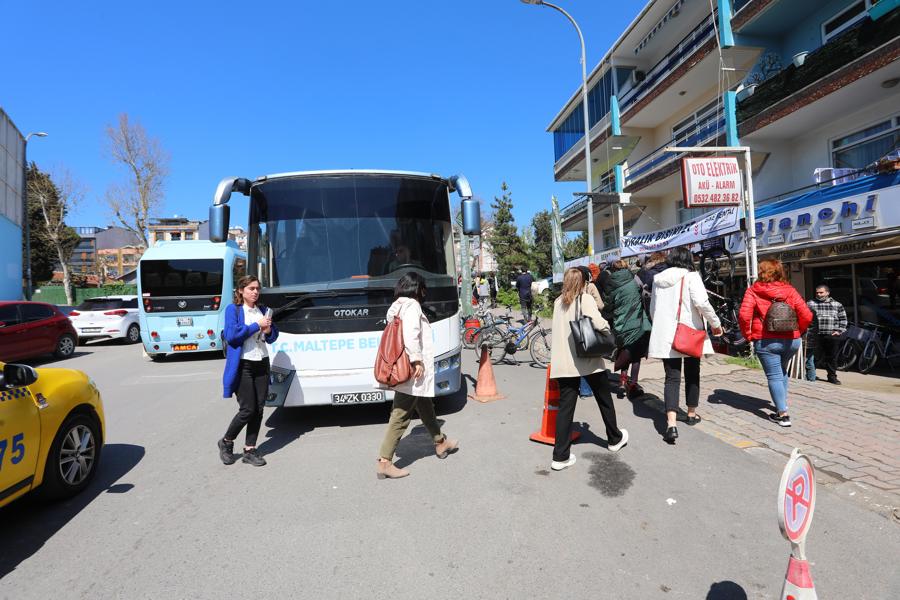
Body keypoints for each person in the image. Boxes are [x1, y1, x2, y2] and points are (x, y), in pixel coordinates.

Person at [376, 272, 458, 479]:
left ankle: (440, 442)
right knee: (401, 414)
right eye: (423, 288)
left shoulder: (396, 306)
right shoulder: (412, 306)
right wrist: (416, 360)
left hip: (404, 366)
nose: (424, 293)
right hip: (412, 367)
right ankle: (384, 461)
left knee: (424, 404)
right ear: (417, 289)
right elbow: (410, 335)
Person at [548, 267, 628, 471]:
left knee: (566, 409)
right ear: (583, 282)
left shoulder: (558, 303)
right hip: (588, 360)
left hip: (563, 363)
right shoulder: (584, 299)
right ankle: (614, 438)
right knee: (604, 399)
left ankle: (560, 456)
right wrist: (608, 331)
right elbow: (599, 323)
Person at [648, 247, 723, 444]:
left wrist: (662, 326)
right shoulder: (691, 276)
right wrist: (716, 324)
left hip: (666, 336)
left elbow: (653, 309)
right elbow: (703, 303)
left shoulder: (658, 280)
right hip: (688, 333)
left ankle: (671, 424)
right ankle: (691, 414)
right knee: (692, 373)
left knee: (671, 378)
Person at [738, 260, 813, 427]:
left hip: (766, 341)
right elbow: (807, 315)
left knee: (774, 375)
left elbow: (744, 316)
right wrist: (798, 331)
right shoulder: (790, 291)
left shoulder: (753, 291)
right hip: (792, 341)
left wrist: (748, 335)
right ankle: (781, 403)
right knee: (781, 371)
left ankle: (783, 414)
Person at [219, 275, 280, 466]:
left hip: (261, 362)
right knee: (247, 409)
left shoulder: (263, 310)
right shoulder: (234, 310)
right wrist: (256, 325)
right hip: (243, 365)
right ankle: (226, 441)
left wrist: (269, 331)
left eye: (257, 289)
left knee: (259, 409)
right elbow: (232, 336)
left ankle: (250, 449)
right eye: (251, 288)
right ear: (241, 291)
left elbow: (272, 336)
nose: (255, 292)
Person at [603, 258, 652, 399]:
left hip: (620, 323)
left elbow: (607, 305)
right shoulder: (635, 281)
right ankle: (632, 384)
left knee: (624, 350)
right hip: (636, 322)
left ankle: (623, 380)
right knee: (636, 355)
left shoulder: (610, 283)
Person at [807, 284, 848, 385]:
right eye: (817, 293)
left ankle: (832, 376)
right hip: (815, 335)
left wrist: (839, 331)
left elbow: (843, 319)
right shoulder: (810, 303)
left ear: (828, 293)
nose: (819, 294)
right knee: (814, 357)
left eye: (821, 292)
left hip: (831, 335)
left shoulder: (837, 305)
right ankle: (811, 376)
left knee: (831, 357)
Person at [804, 307, 819, 382]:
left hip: (806, 340)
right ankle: (812, 379)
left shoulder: (805, 311)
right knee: (810, 361)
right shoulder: (811, 311)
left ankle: (808, 379)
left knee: (805, 361)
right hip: (812, 340)